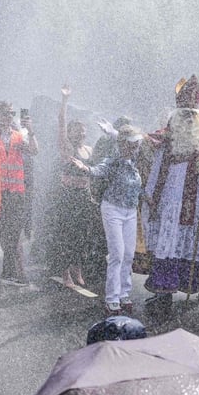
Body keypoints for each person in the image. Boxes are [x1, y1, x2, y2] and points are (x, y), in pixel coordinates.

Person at [140, 105, 199, 308]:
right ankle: (164, 292)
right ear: (175, 119)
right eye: (184, 115)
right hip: (167, 205)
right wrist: (150, 195)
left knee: (190, 248)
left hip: (194, 208)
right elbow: (157, 167)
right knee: (166, 246)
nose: (188, 121)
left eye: (192, 117)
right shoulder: (167, 140)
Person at [71, 124, 144, 313]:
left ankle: (123, 293)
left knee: (128, 254)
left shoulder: (135, 160)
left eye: (136, 143)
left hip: (130, 211)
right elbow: (99, 170)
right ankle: (112, 297)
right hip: (113, 209)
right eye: (132, 143)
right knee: (117, 254)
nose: (135, 146)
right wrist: (85, 168)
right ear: (123, 144)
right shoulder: (114, 160)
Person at [0, 99, 37, 288]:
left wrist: (31, 130)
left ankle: (9, 272)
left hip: (15, 192)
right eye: (7, 113)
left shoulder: (17, 135)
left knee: (13, 234)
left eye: (12, 114)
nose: (10, 117)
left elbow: (34, 150)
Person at [49, 85, 95, 290]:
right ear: (71, 133)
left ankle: (77, 268)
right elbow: (61, 123)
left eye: (83, 133)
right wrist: (65, 100)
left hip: (84, 195)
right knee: (66, 234)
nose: (81, 135)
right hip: (67, 195)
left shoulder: (88, 149)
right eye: (77, 132)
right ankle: (65, 271)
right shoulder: (67, 148)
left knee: (82, 234)